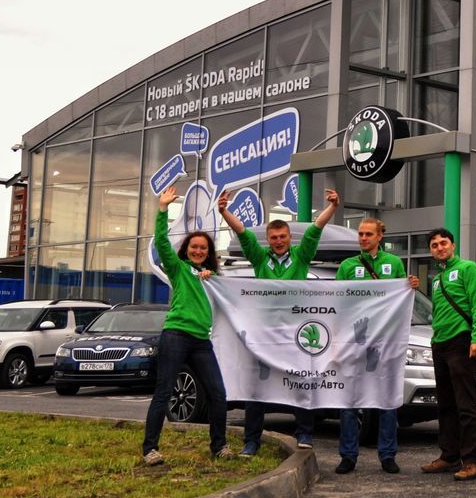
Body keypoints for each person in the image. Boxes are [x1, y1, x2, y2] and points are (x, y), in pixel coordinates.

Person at [219, 187, 340, 455]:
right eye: (273, 237)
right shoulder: (260, 258)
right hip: (264, 334)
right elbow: (243, 233)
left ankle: (305, 433)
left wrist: (331, 208)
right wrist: (224, 211)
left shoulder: (301, 256)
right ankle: (252, 441)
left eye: (282, 236)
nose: (278, 241)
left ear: (288, 238)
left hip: (295, 333)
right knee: (257, 388)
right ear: (268, 239)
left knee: (301, 383)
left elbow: (314, 231)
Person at [143, 184, 231, 464]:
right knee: (164, 391)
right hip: (176, 335)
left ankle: (219, 446)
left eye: (203, 248)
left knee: (218, 393)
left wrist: (209, 277)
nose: (198, 251)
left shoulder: (212, 277)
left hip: (201, 341)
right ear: (187, 249)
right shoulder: (178, 269)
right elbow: (161, 241)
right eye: (194, 247)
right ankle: (150, 449)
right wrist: (163, 209)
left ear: (208, 252)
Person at [407, 227, 476, 481]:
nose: (439, 248)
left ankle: (472, 461)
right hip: (439, 344)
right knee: (446, 405)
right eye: (434, 245)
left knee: (466, 405)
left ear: (452, 245)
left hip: (461, 343)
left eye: (443, 243)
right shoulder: (437, 278)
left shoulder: (467, 268)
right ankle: (449, 456)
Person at [333, 217, 408, 475]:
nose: (363, 238)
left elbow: (401, 301)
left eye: (368, 234)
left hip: (385, 341)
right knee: (349, 401)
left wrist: (411, 287)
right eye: (361, 234)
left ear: (379, 237)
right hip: (353, 341)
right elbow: (336, 303)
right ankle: (348, 455)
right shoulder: (347, 266)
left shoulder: (394, 263)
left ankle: (387, 455)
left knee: (386, 400)